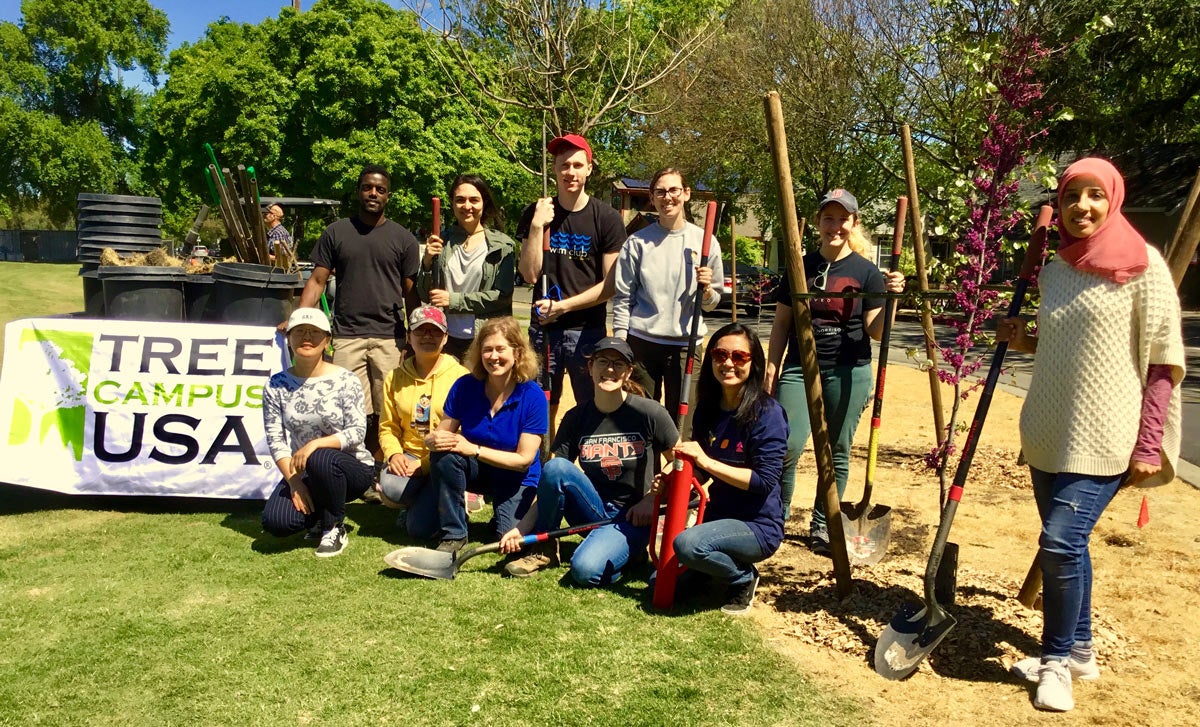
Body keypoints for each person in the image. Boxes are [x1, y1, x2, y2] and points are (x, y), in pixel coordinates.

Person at [996, 158, 1184, 713]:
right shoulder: (1055, 270)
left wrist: (1148, 444)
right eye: (1072, 195)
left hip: (1106, 437)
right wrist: (1023, 340)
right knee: (1069, 547)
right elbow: (1061, 345)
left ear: (1113, 199)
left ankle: (1054, 662)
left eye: (1095, 194)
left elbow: (1162, 363)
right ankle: (1079, 649)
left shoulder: (1145, 266)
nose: (1082, 206)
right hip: (1047, 430)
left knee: (1058, 544)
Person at [764, 189, 905, 554]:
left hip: (849, 370)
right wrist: (771, 367)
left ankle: (823, 525)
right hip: (800, 367)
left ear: (854, 223)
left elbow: (876, 331)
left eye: (843, 219)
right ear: (818, 222)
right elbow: (781, 324)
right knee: (787, 445)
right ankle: (774, 518)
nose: (836, 226)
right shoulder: (800, 267)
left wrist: (892, 300)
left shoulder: (867, 273)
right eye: (829, 218)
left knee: (836, 451)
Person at [498, 337, 679, 582]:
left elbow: (679, 462)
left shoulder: (650, 412)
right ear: (591, 367)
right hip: (592, 509)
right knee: (556, 466)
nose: (610, 369)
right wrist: (521, 529)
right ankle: (545, 548)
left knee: (584, 571)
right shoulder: (576, 417)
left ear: (628, 372)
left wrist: (651, 499)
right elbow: (552, 480)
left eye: (618, 364)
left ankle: (626, 551)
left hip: (633, 516)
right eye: (603, 361)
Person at [294, 165, 422, 476]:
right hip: (347, 336)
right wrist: (299, 319)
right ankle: (353, 471)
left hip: (389, 337)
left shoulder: (403, 239)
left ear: (388, 196)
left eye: (380, 190)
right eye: (367, 188)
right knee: (348, 410)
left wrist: (414, 336)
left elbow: (411, 292)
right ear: (358, 192)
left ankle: (381, 470)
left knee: (388, 410)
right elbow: (318, 280)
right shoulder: (336, 233)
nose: (373, 193)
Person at [669, 322, 788, 615]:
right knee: (663, 579)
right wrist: (674, 477)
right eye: (720, 355)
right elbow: (702, 470)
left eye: (739, 356)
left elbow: (764, 481)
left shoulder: (768, 414)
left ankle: (743, 577)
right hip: (717, 517)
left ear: (753, 362)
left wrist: (705, 461)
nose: (728, 363)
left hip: (757, 525)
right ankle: (709, 571)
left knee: (688, 546)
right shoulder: (708, 408)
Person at [517, 134, 627, 432]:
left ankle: (586, 460)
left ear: (589, 169)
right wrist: (537, 226)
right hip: (543, 330)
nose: (570, 172)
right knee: (541, 404)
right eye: (564, 165)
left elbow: (610, 285)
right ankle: (544, 457)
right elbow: (529, 274)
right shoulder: (536, 212)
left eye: (578, 165)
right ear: (554, 169)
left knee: (591, 404)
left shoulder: (606, 218)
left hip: (586, 331)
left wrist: (563, 307)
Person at [413, 317, 548, 552]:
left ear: (517, 353)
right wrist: (433, 440)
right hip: (477, 470)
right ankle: (454, 534)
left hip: (516, 477)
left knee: (508, 538)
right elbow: (441, 434)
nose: (493, 356)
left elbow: (523, 460)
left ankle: (502, 513)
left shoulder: (533, 395)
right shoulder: (465, 386)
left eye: (500, 349)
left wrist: (474, 449)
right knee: (418, 527)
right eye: (487, 349)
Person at [612, 167, 724, 425]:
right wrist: (620, 342)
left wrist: (707, 290)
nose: (668, 197)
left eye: (674, 190)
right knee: (640, 420)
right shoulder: (637, 243)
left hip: (686, 345)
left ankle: (678, 455)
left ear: (686, 193)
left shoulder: (704, 242)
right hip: (642, 342)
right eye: (660, 192)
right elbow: (623, 297)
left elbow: (713, 303)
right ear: (652, 198)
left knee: (682, 423)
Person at [260, 308, 375, 557]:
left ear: (327, 340)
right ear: (288, 338)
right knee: (277, 522)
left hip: (350, 468)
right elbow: (275, 439)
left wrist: (315, 444)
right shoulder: (275, 385)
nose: (307, 338)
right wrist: (294, 482)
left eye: (314, 332)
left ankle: (333, 526)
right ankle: (318, 516)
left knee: (320, 456)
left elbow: (357, 431)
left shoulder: (346, 380)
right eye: (299, 332)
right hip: (304, 470)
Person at [375, 305, 470, 530]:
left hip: (445, 458)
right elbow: (387, 427)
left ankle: (448, 498)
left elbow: (464, 431)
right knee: (392, 488)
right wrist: (394, 454)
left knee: (418, 529)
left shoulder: (462, 377)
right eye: (420, 330)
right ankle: (427, 500)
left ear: (445, 338)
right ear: (409, 337)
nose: (428, 336)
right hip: (408, 455)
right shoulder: (394, 377)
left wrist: (424, 464)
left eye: (435, 331)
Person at [417, 174, 516, 359]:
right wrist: (427, 262)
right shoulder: (442, 241)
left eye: (474, 200)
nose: (467, 206)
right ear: (452, 203)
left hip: (484, 339)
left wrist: (454, 300)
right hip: (446, 338)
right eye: (460, 200)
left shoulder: (502, 245)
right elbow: (425, 294)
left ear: (484, 203)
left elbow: (502, 296)